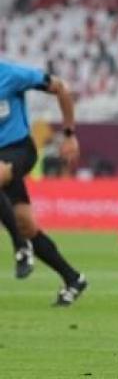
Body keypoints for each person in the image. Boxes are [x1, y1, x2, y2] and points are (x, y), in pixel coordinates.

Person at [0, 59, 86, 305]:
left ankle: (21, 248)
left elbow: (61, 88)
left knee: (21, 233)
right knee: (26, 225)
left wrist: (69, 135)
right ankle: (73, 279)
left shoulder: (13, 74)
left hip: (18, 150)